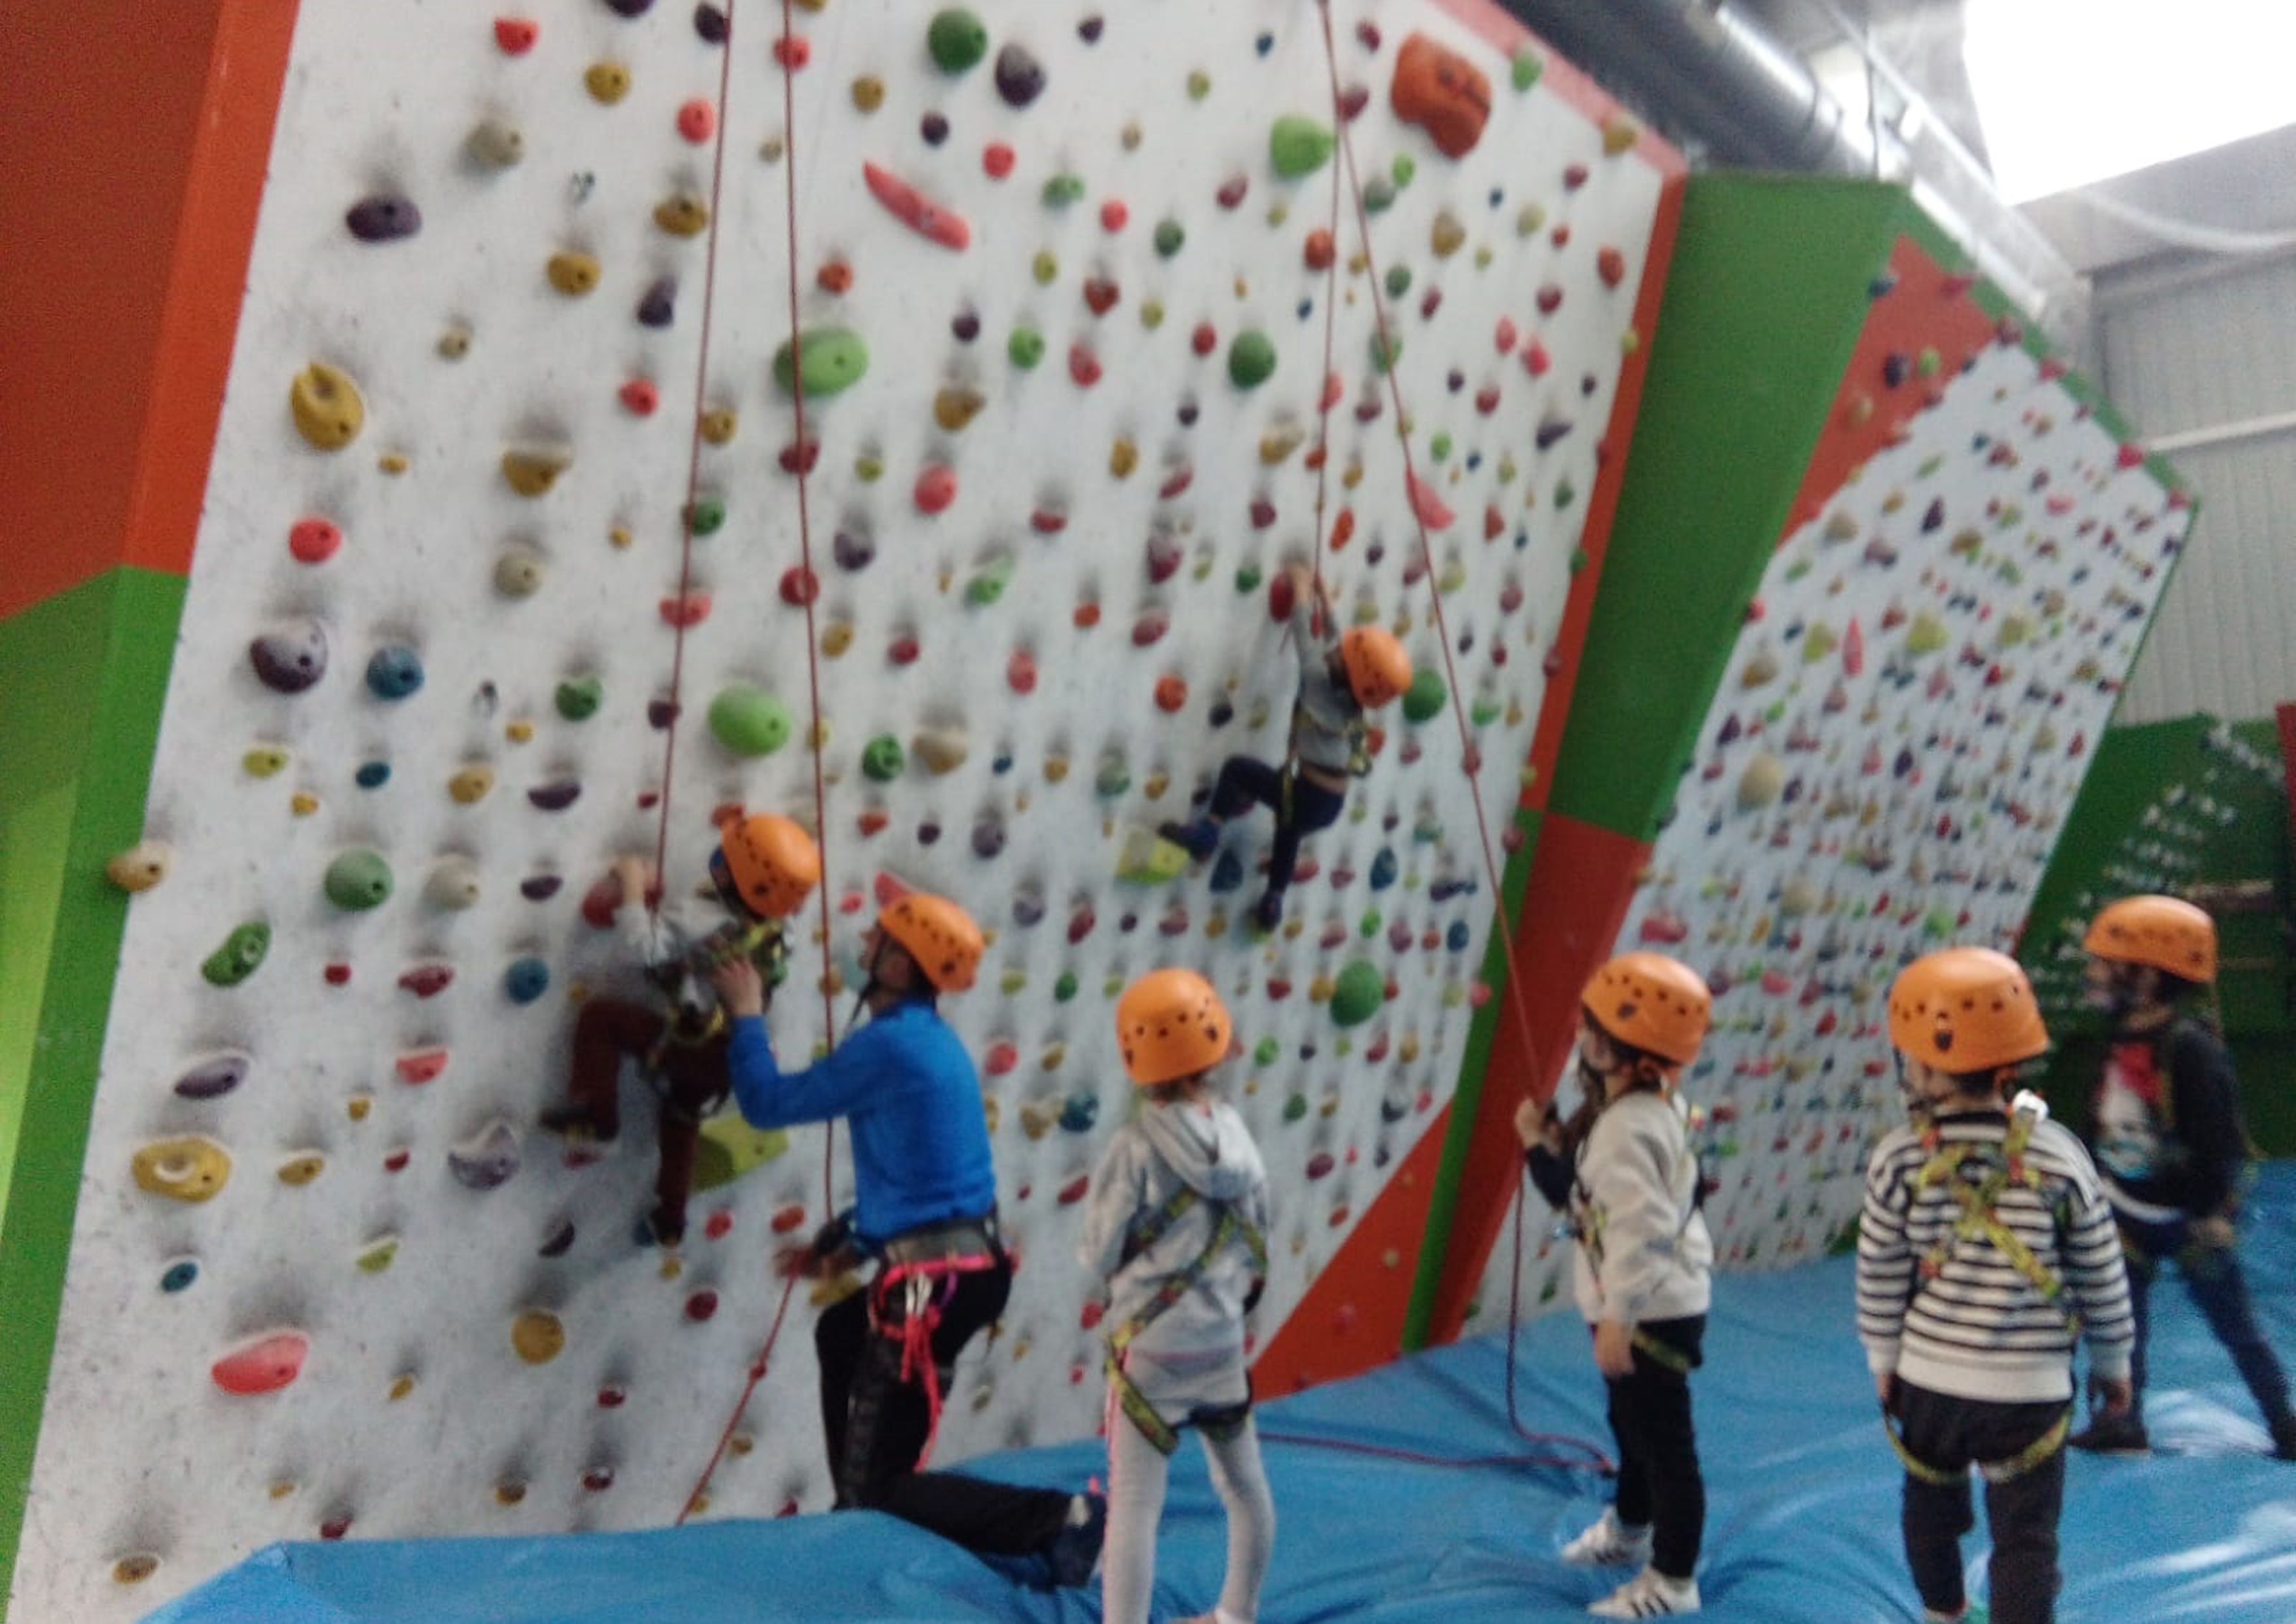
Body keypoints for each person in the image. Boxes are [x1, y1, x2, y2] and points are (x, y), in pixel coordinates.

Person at [709, 890, 1104, 1583]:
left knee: (884, 1483)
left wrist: (746, 1016)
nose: (863, 940)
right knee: (839, 1331)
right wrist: (852, 1246)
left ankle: (1057, 1517)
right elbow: (919, 1178)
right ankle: (857, 1503)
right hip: (958, 1270)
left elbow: (768, 1103)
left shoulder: (890, 1047)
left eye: (879, 937)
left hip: (935, 1284)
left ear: (898, 966)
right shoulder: (924, 1040)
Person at [1858, 947, 2136, 1624]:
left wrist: (1883, 1360)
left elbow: (1880, 1271)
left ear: (1920, 1065)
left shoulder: (1899, 1158)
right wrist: (2113, 1364)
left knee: (1927, 1510)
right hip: (2027, 1394)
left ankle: (1943, 1613)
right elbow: (2100, 1271)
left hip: (1929, 1385)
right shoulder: (2058, 1154)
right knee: (2025, 1540)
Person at [1516, 951, 1715, 1618]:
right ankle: (1632, 1530)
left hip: (1649, 1309)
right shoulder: (1636, 1111)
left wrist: (1618, 1319)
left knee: (1664, 1446)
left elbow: (1640, 1233)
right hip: (1644, 1302)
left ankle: (1673, 1580)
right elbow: (1584, 1202)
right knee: (1631, 1428)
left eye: (1596, 1034)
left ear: (1639, 1061)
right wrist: (1539, 1148)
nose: (1582, 1040)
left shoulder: (1628, 1128)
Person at [1079, 968, 1276, 1624]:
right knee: (1244, 1487)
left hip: (1153, 1346)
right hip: (1220, 1343)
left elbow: (1100, 1251)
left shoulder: (1133, 1147)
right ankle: (1235, 1614)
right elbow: (1259, 1236)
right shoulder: (1239, 1137)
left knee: (1135, 1504)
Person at [2068, 894, 2296, 1459]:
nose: (2093, 975)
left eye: (2104, 964)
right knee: (2120, 1332)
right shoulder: (2120, 1036)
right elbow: (2098, 1116)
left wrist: (2216, 1214)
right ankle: (2123, 1421)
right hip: (2127, 1209)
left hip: (2191, 1221)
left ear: (2146, 977)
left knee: (2235, 1325)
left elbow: (2219, 1140)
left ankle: (2282, 1420)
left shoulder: (2190, 1050)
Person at [538, 811, 819, 1246]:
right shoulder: (781, 929)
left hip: (696, 1043)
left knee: (602, 1019)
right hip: (736, 1053)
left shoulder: (698, 919)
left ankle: (599, 1118)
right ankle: (671, 1221)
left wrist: (632, 883)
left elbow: (642, 948)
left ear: (728, 872)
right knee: (682, 1121)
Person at [1160, 560, 1412, 931]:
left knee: (1236, 770)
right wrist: (1325, 600)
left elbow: (1302, 631)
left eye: (1342, 655)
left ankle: (1208, 832)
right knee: (1289, 829)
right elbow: (1341, 647)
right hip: (1329, 803)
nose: (1336, 650)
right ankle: (1274, 898)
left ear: (1344, 668)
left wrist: (1300, 588)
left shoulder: (1316, 676)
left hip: (1304, 787)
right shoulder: (1356, 698)